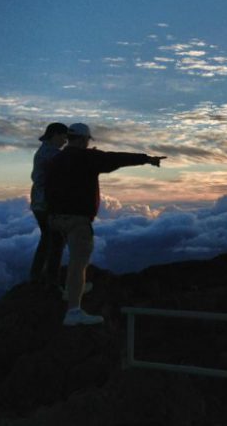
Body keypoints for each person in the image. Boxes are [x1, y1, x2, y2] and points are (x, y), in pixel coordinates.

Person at [46, 123, 166, 326]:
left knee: (73, 259)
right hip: (77, 220)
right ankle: (73, 311)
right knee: (78, 263)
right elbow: (116, 158)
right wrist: (146, 159)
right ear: (84, 139)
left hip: (56, 218)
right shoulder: (87, 158)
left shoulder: (56, 159)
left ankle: (72, 289)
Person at [29, 122, 68, 286]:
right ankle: (51, 280)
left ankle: (37, 276)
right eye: (63, 136)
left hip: (39, 203)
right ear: (55, 135)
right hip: (47, 204)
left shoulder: (44, 151)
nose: (65, 140)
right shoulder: (51, 153)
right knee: (57, 239)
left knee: (47, 239)